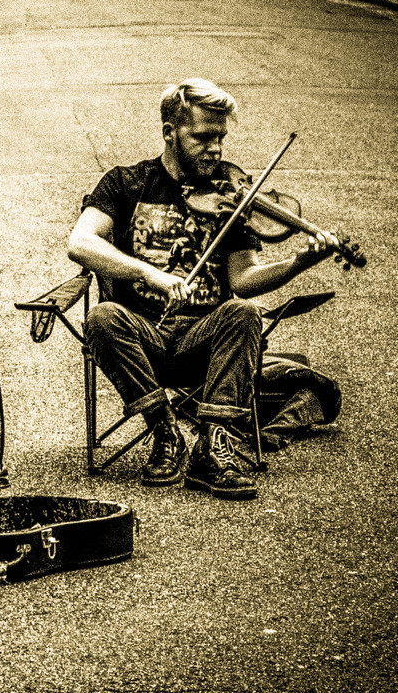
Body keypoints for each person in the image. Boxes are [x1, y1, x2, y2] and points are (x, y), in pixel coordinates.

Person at [66, 79, 341, 501]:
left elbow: (244, 281)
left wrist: (299, 263)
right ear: (169, 132)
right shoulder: (126, 184)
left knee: (244, 313)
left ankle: (212, 447)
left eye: (221, 138)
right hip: (144, 341)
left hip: (205, 345)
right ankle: (165, 432)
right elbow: (81, 243)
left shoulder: (232, 198)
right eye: (202, 137)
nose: (215, 149)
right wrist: (149, 274)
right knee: (102, 317)